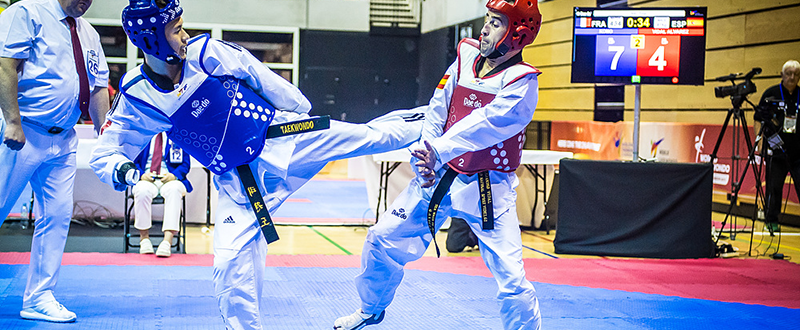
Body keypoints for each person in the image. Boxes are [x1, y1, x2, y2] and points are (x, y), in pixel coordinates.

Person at [89, 1, 423, 328]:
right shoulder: (138, 96)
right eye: (176, 31)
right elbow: (105, 152)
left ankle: (435, 121)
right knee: (230, 266)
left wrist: (298, 109)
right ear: (152, 39)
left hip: (285, 138)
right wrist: (126, 172)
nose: (186, 36)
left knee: (371, 137)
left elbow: (260, 77)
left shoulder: (208, 54)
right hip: (239, 184)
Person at [334, 0, 543, 329]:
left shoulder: (522, 82)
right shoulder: (466, 57)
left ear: (517, 35)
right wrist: (425, 155)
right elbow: (437, 109)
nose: (485, 28)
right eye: (487, 20)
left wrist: (438, 150)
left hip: (489, 189)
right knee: (381, 238)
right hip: (440, 176)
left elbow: (485, 125)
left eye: (497, 23)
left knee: (513, 280)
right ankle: (370, 309)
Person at [0, 0, 109, 323]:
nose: (86, 2)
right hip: (24, 131)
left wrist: (107, 137)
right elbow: (5, 65)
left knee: (58, 216)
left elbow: (99, 86)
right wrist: (13, 121)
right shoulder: (28, 12)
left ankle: (39, 296)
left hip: (64, 139)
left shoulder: (88, 33)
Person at [131, 132, 192, 257]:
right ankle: (144, 239)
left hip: (171, 178)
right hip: (147, 178)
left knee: (174, 190)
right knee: (141, 190)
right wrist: (142, 174)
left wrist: (174, 175)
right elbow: (133, 161)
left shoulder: (177, 135)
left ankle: (167, 241)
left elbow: (185, 164)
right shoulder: (142, 134)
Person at [758, 60, 800, 234]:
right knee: (774, 187)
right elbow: (758, 117)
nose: (792, 77)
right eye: (789, 73)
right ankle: (772, 220)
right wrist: (759, 140)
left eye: (796, 74)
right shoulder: (771, 94)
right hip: (776, 147)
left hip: (798, 151)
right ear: (782, 75)